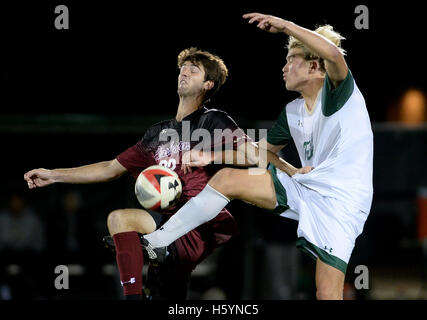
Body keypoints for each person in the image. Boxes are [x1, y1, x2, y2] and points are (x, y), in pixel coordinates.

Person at [141, 13, 374, 300]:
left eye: (291, 59)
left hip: (343, 203)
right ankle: (161, 241)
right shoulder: (293, 112)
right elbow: (258, 153)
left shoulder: (339, 93)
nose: (284, 67)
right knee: (227, 178)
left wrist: (286, 26)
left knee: (327, 294)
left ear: (315, 66)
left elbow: (334, 55)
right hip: (309, 188)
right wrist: (210, 155)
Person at [23, 47, 272, 300]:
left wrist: (210, 156)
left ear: (208, 84)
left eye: (193, 70)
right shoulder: (157, 135)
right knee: (122, 224)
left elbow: (257, 157)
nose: (184, 72)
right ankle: (138, 292)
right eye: (182, 68)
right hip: (166, 226)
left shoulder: (212, 121)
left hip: (197, 225)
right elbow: (110, 169)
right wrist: (53, 175)